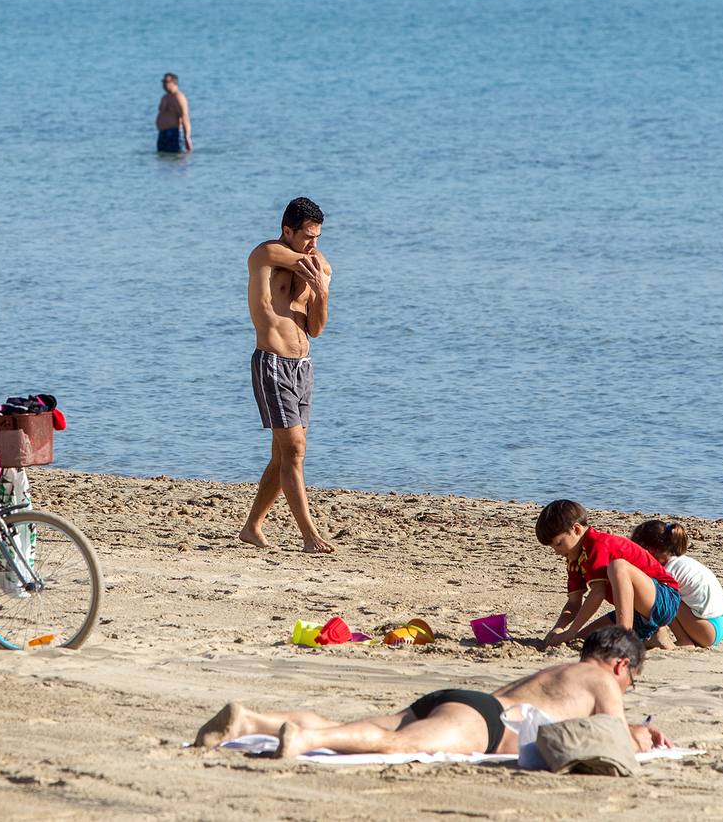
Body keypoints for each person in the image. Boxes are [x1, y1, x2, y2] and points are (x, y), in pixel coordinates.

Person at [192, 628, 673, 757]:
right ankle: (304, 742)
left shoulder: (562, 668)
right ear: (621, 664)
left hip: (463, 698)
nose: (626, 688)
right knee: (397, 745)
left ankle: (252, 720)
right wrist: (643, 734)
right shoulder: (603, 678)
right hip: (485, 724)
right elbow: (609, 738)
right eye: (631, 680)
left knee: (369, 726)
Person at [241, 197, 334, 553]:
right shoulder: (264, 255)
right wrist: (322, 271)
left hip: (303, 366)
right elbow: (316, 265)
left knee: (283, 456)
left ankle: (252, 527)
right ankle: (309, 535)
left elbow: (316, 328)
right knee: (294, 450)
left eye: (318, 238)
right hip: (273, 363)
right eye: (308, 236)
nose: (314, 244)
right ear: (287, 231)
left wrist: (322, 291)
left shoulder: (313, 269)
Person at [537, 499, 683, 649]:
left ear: (577, 529)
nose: (557, 552)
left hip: (664, 598)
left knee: (618, 566)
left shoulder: (598, 544)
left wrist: (571, 630)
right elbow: (574, 603)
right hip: (636, 613)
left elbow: (597, 593)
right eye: (552, 547)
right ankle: (653, 637)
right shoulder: (574, 558)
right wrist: (559, 629)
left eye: (559, 543)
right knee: (581, 640)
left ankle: (624, 635)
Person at [631, 519, 723, 648]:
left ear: (650, 551)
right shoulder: (680, 561)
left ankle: (683, 640)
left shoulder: (667, 571)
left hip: (707, 630)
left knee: (663, 597)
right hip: (719, 624)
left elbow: (652, 602)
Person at [156, 73, 192, 153]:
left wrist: (187, 137)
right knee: (162, 159)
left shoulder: (179, 97)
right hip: (162, 133)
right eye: (163, 82)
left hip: (174, 133)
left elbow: (185, 117)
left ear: (174, 83)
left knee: (176, 159)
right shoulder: (165, 97)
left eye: (166, 82)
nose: (163, 84)